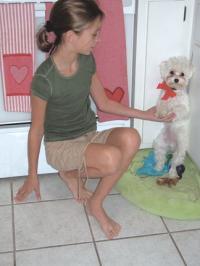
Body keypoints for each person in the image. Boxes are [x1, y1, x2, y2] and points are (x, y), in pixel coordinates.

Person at [15, 0, 174, 239]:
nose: (98, 39)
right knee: (111, 159)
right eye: (94, 34)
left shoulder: (87, 61)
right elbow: (36, 131)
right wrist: (32, 175)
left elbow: (104, 103)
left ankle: (92, 199)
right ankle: (76, 181)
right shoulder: (44, 79)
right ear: (70, 36)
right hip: (61, 146)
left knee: (131, 137)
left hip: (89, 134)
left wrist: (146, 114)